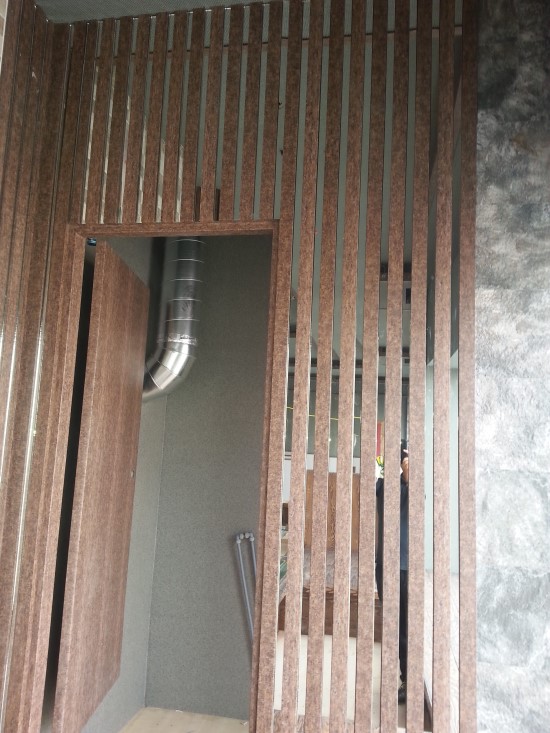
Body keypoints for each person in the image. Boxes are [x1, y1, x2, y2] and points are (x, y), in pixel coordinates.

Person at [375, 444, 409, 704]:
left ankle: (408, 678)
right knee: (395, 626)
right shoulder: (384, 487)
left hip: (405, 567)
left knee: (404, 627)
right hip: (391, 566)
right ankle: (404, 677)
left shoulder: (413, 488)